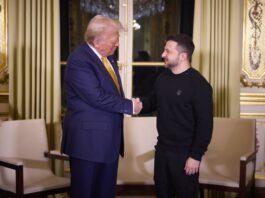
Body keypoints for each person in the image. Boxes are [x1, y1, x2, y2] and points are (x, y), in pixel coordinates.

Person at [61, 15, 142, 198]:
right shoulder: (79, 60)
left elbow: (108, 93)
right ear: (97, 42)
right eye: (114, 41)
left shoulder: (108, 58)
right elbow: (95, 96)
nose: (118, 44)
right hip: (88, 142)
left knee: (105, 193)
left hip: (108, 142)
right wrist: (129, 106)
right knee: (85, 193)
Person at [141, 34, 213, 198]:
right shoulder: (163, 77)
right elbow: (152, 102)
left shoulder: (200, 85)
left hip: (186, 154)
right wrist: (134, 105)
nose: (163, 55)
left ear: (183, 56)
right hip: (162, 150)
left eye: (168, 51)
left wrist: (195, 156)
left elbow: (205, 126)